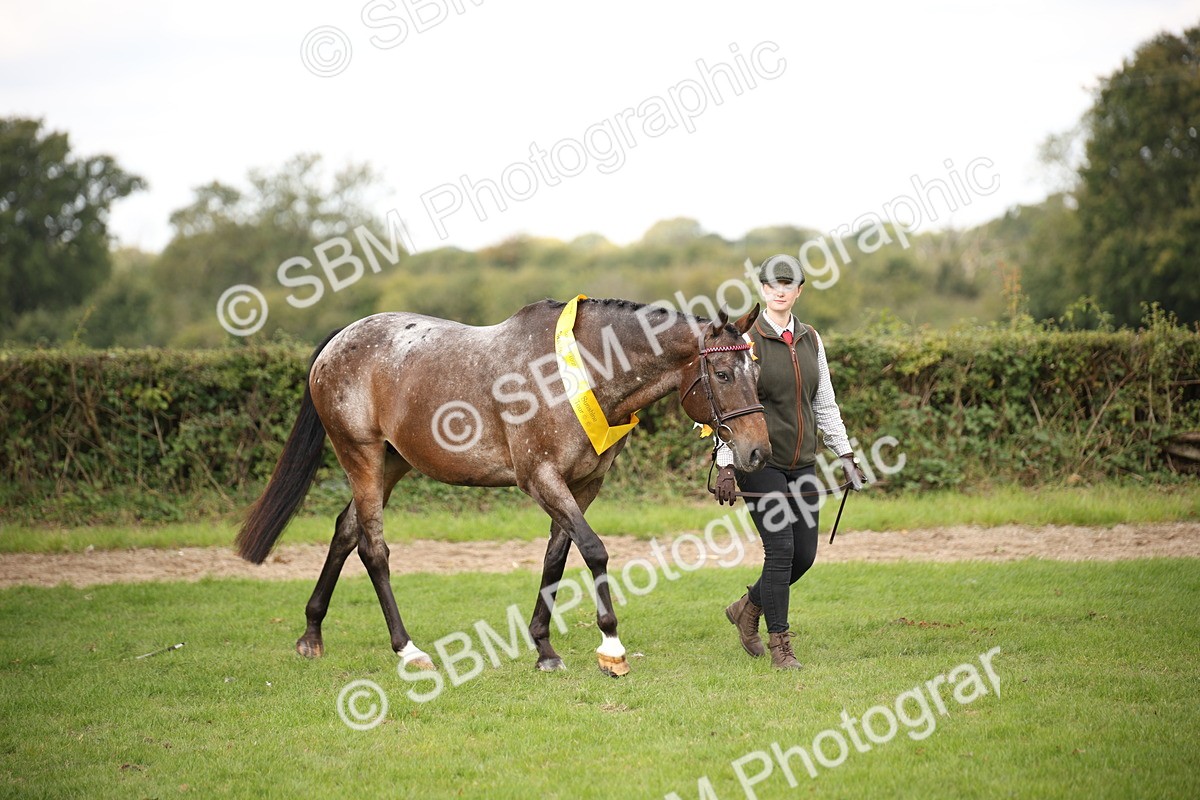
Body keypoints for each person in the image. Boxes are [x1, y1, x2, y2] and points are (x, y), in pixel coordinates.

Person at [713, 254, 864, 669]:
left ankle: (748, 605)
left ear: (798, 291)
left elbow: (824, 402)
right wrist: (726, 464)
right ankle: (781, 646)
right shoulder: (745, 341)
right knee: (780, 550)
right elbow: (729, 408)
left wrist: (846, 454)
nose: (780, 291)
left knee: (804, 555)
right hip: (760, 463)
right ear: (763, 289)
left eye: (789, 285)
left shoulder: (811, 339)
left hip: (803, 462)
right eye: (773, 285)